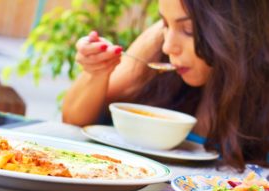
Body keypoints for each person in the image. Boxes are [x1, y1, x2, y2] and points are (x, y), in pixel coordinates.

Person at [62, 0, 269, 171]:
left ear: (240, 27)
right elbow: (73, 119)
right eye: (165, 24)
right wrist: (96, 72)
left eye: (188, 30)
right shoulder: (157, 41)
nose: (168, 46)